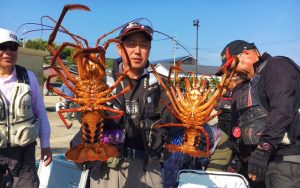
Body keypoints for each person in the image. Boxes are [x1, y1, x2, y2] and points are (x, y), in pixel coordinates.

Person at [87, 22, 172, 188]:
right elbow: (81, 115)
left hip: (149, 169)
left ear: (149, 49)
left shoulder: (160, 83)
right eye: (131, 44)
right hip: (108, 169)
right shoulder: (101, 81)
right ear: (119, 48)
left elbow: (173, 120)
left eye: (143, 45)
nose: (137, 51)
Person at [217, 40, 300, 188]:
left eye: (231, 67)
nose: (231, 73)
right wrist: (238, 158)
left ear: (247, 53)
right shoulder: (246, 85)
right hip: (256, 163)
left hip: (285, 162)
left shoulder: (277, 66)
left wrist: (264, 149)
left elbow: (282, 111)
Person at [0, 28, 52, 188]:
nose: (8, 52)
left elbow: (40, 111)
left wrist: (46, 145)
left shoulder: (28, 76)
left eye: (13, 47)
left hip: (25, 152)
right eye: (3, 47)